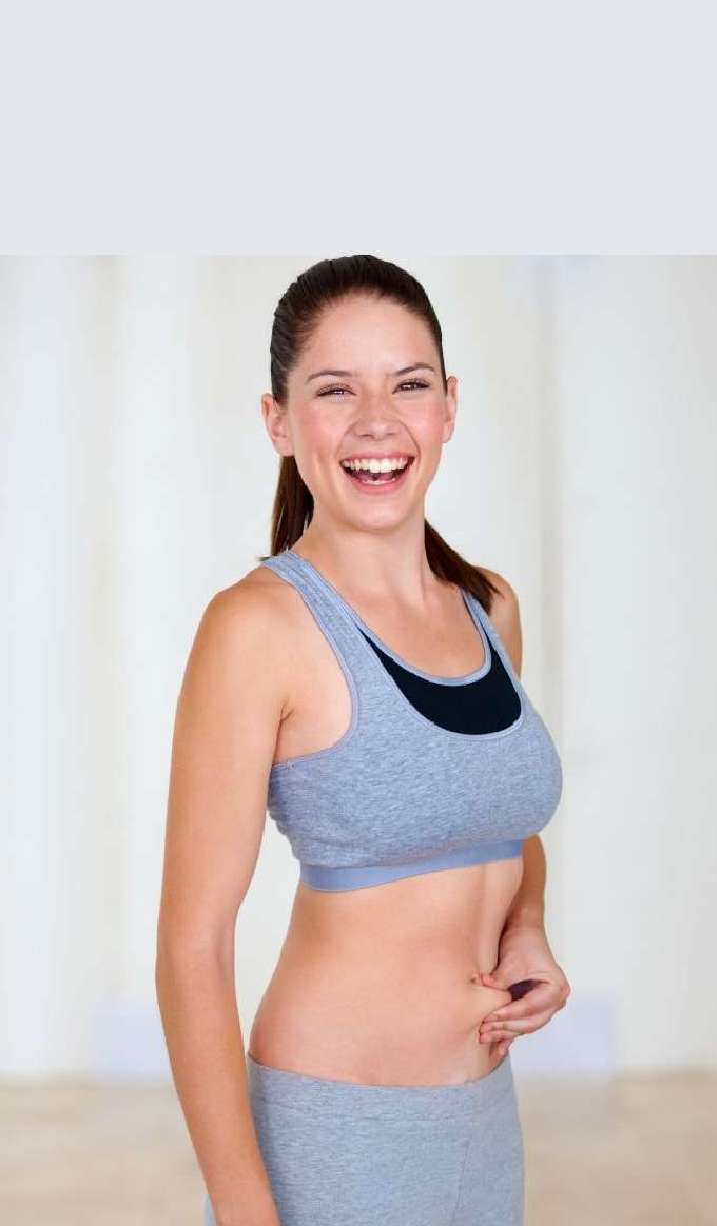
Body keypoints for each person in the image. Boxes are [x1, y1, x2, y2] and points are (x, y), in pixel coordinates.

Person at [155, 255, 571, 1226]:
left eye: (409, 384)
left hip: (484, 1124)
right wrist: (246, 1210)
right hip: (334, 1131)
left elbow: (497, 820)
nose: (377, 421)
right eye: (335, 389)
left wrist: (527, 927)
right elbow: (190, 947)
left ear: (449, 406)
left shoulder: (489, 608)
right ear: (278, 422)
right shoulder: (257, 628)